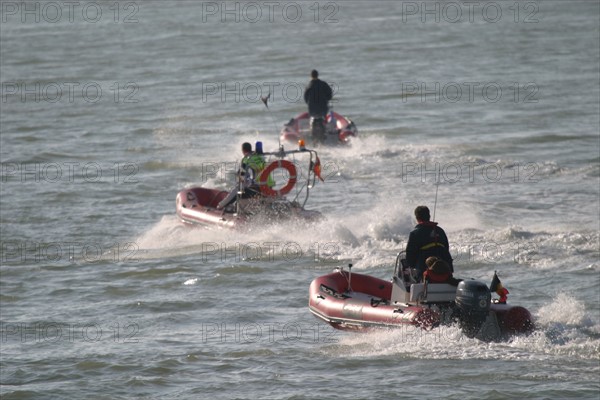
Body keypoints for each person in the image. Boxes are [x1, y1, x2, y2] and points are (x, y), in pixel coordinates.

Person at [405, 206, 454, 281]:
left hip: (425, 270)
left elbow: (410, 255)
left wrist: (410, 267)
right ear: (429, 216)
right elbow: (446, 248)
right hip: (446, 269)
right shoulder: (440, 231)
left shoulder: (415, 233)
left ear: (417, 218)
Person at [217, 142, 266, 210]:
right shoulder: (261, 158)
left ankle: (221, 205)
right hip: (268, 188)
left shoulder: (246, 159)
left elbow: (241, 177)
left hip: (256, 190)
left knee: (238, 190)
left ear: (243, 150)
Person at [303, 69, 333, 143]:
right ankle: (324, 133)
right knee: (322, 118)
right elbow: (330, 95)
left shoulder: (308, 86)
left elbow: (305, 98)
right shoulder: (324, 84)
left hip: (312, 109)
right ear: (318, 75)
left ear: (311, 76)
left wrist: (309, 104)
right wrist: (326, 100)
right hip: (323, 108)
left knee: (313, 119)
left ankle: (313, 136)